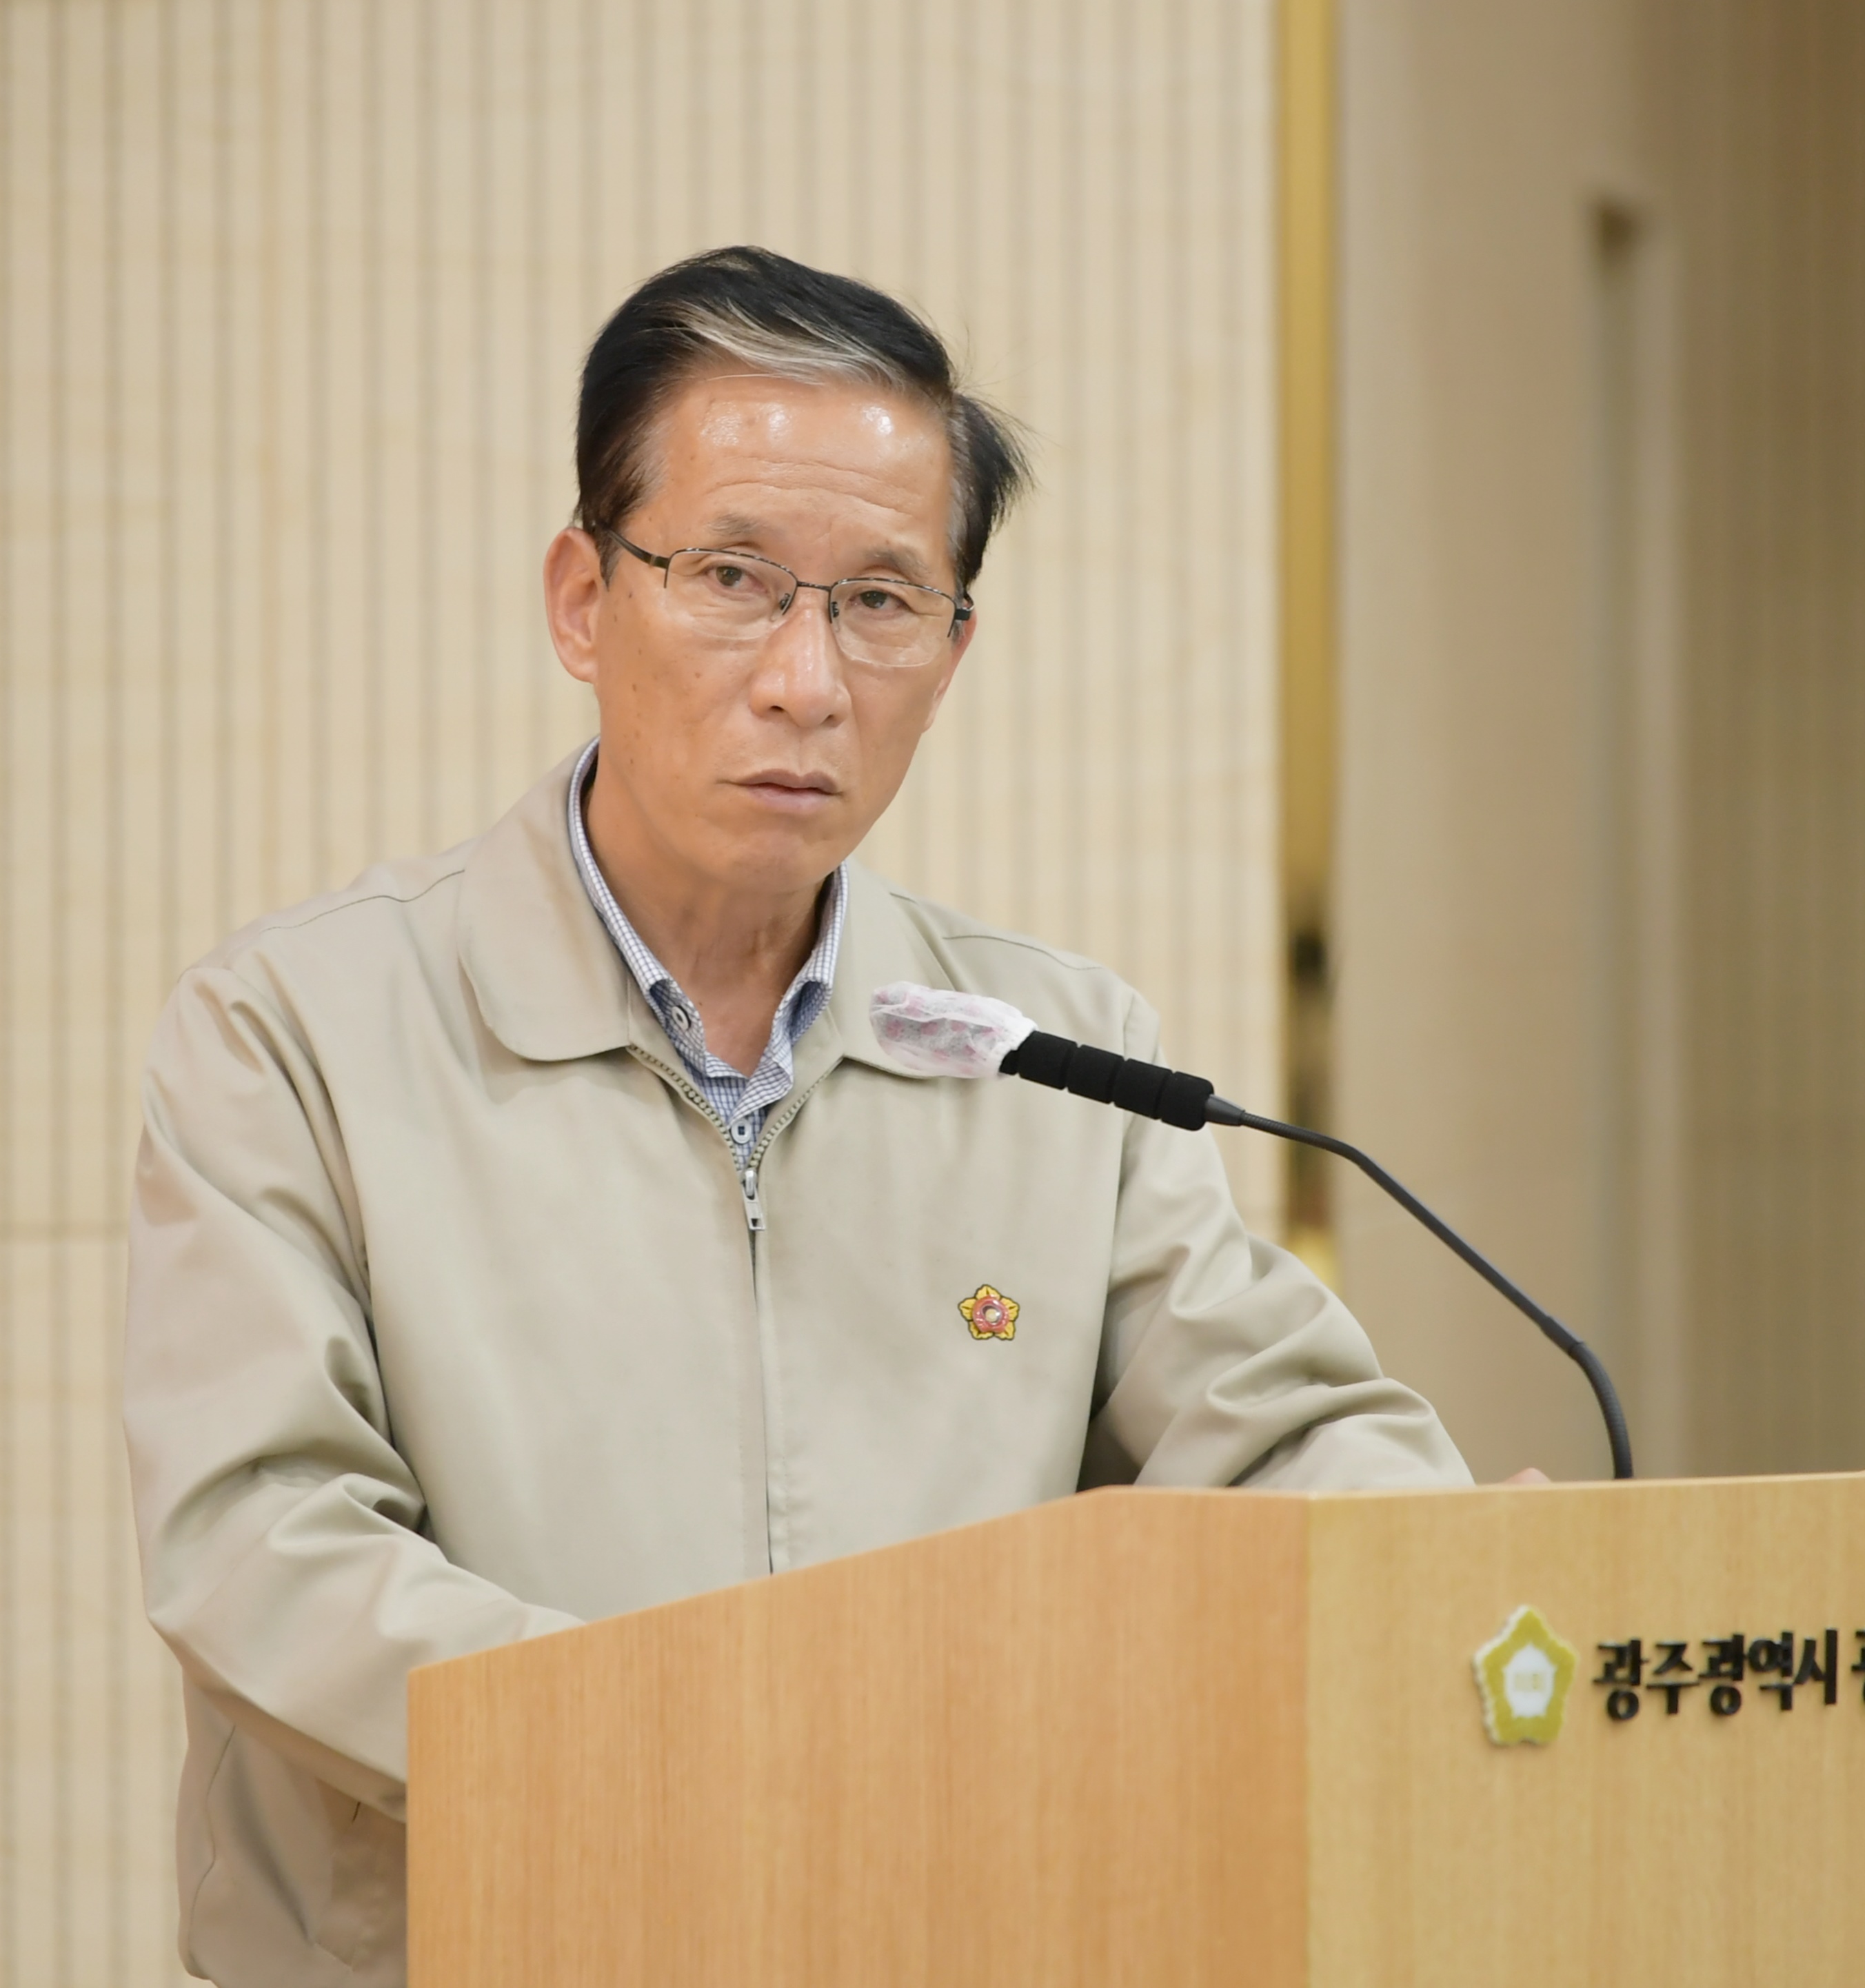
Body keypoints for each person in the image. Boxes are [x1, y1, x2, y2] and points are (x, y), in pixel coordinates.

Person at [122, 246, 1469, 1987]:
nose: (806, 678)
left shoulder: (1054, 1057)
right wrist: (719, 1756)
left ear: (954, 647)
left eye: (881, 603)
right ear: (582, 600)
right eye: (735, 578)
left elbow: (1286, 1436)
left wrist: (1427, 1567)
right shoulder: (298, 1030)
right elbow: (263, 1546)